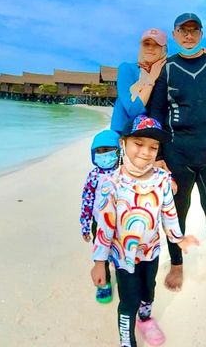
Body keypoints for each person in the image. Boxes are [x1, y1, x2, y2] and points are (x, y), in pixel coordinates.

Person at [148, 12, 206, 291]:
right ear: (175, 35)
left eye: (194, 30)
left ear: (201, 34)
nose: (188, 35)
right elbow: (157, 111)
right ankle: (176, 264)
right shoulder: (167, 68)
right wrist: (159, 154)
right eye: (182, 30)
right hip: (178, 155)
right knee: (176, 210)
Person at [91, 115, 199, 347]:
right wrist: (99, 261)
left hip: (151, 252)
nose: (145, 151)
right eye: (138, 144)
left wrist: (178, 238)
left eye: (153, 147)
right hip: (123, 257)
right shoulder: (111, 183)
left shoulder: (161, 179)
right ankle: (127, 340)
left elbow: (169, 212)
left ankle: (146, 318)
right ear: (124, 143)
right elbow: (105, 227)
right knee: (128, 300)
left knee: (149, 290)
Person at [80, 129, 121, 303]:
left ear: (118, 151)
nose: (103, 155)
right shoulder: (93, 176)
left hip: (120, 223)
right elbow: (87, 200)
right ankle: (104, 284)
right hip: (99, 222)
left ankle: (124, 278)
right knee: (100, 254)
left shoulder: (124, 173)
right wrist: (85, 224)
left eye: (108, 150)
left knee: (120, 252)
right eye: (99, 151)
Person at [110, 28, 168, 134]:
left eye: (156, 45)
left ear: (163, 49)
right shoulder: (127, 69)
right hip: (123, 135)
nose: (150, 48)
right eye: (146, 44)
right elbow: (133, 109)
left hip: (151, 137)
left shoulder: (166, 74)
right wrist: (150, 79)